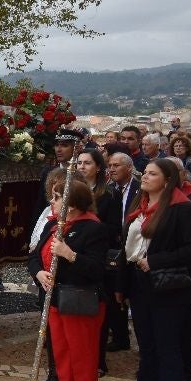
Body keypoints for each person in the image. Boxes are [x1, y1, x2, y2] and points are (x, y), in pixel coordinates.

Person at [121, 158, 191, 381]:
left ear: (167, 181)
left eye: (152, 174)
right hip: (140, 284)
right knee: (147, 346)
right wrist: (122, 287)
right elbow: (127, 249)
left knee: (167, 346)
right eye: (144, 172)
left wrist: (156, 261)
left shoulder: (182, 209)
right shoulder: (140, 206)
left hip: (167, 287)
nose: (144, 177)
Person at [29, 179, 109, 381]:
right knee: (62, 353)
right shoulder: (53, 225)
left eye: (56, 197)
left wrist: (70, 255)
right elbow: (33, 255)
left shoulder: (93, 229)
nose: (51, 202)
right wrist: (39, 273)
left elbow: (97, 269)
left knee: (82, 357)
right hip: (55, 298)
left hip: (80, 301)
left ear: (71, 204)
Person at [76, 148, 129, 362]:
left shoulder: (108, 194)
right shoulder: (72, 190)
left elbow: (114, 227)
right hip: (74, 254)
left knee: (97, 309)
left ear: (98, 167)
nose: (82, 167)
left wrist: (89, 231)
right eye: (79, 163)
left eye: (87, 163)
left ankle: (97, 359)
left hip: (97, 255)